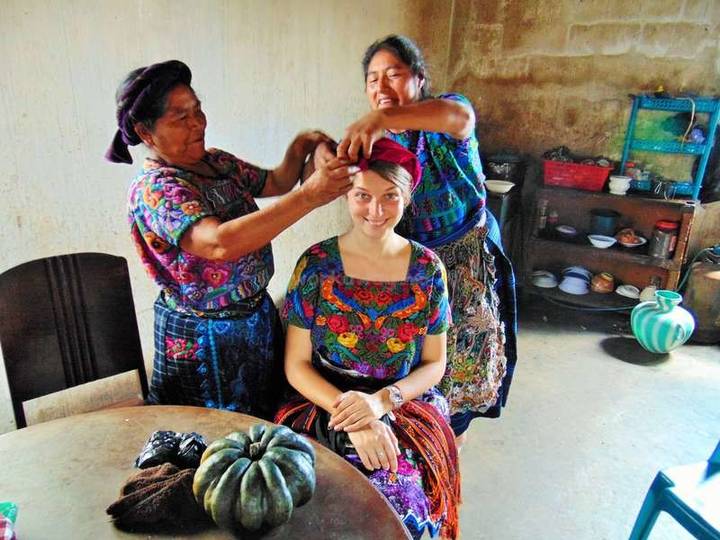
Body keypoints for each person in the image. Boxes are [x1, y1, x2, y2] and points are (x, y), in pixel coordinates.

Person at [105, 60, 357, 418]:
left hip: (254, 320)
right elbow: (218, 243)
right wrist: (311, 196)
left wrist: (306, 144)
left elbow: (277, 182)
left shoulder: (216, 163)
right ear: (145, 132)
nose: (198, 123)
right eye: (181, 118)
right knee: (211, 436)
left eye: (198, 110)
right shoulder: (156, 190)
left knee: (260, 426)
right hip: (203, 339)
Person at [336, 35, 518, 447]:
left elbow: (457, 117)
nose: (381, 88)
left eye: (394, 75)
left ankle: (452, 445)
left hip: (466, 258)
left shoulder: (444, 118)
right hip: (415, 266)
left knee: (462, 355)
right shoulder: (380, 144)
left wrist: (382, 119)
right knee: (417, 360)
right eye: (372, 79)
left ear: (419, 79)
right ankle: (424, 438)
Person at [275, 138, 460, 539]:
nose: (375, 211)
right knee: (306, 504)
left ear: (407, 197)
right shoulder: (316, 265)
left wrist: (379, 403)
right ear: (346, 195)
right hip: (322, 399)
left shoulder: (429, 269)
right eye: (362, 196)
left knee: (398, 504)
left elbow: (435, 363)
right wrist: (351, 414)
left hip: (401, 399)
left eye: (389, 197)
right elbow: (296, 364)